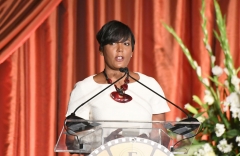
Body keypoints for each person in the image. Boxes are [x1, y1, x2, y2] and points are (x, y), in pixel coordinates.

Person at [65, 20, 170, 155]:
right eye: (112, 43)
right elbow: (72, 139)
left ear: (132, 51)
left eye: (126, 44)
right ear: (101, 50)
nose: (120, 49)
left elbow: (162, 135)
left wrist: (144, 141)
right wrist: (106, 143)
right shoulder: (84, 88)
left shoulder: (150, 85)